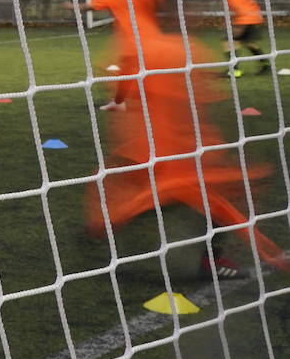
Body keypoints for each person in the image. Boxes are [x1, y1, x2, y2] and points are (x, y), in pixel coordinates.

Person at [86, 29, 288, 279]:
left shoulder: (142, 45)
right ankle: (210, 260)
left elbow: (124, 86)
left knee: (161, 194)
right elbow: (200, 102)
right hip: (173, 150)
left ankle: (112, 224)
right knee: (216, 191)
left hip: (147, 146)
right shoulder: (181, 49)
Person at [73, 0, 164, 111]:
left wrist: (72, 7)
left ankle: (125, 100)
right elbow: (160, 5)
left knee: (119, 71)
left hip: (134, 41)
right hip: (155, 39)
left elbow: (89, 7)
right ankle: (120, 101)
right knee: (136, 70)